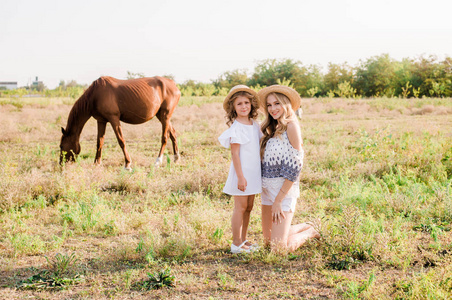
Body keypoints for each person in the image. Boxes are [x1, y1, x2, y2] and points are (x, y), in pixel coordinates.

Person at [258, 85, 320, 252]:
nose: (272, 109)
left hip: (283, 193)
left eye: (276, 103)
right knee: (267, 243)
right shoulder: (272, 127)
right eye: (269, 105)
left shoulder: (291, 126)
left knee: (278, 249)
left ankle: (311, 231)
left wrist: (278, 200)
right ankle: (302, 226)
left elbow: (295, 167)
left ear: (285, 104)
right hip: (267, 192)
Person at [218, 85, 262, 254]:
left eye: (246, 103)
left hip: (254, 172)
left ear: (251, 105)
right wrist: (240, 177)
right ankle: (236, 243)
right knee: (240, 207)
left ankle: (243, 239)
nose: (244, 106)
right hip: (242, 173)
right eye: (239, 104)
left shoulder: (254, 124)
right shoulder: (237, 128)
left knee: (249, 207)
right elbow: (235, 154)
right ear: (233, 108)